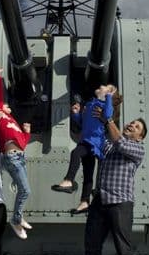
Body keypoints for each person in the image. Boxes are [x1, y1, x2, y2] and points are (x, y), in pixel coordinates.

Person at [74, 109, 147, 255]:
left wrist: (108, 120)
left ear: (140, 136)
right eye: (131, 122)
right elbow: (97, 142)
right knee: (92, 248)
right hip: (100, 202)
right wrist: (82, 115)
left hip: (121, 204)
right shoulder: (109, 144)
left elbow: (120, 143)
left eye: (137, 126)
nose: (132, 125)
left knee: (124, 252)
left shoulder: (137, 149)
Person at [51, 84, 120, 215]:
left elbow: (108, 114)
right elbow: (83, 123)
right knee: (88, 174)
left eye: (106, 87)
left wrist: (109, 96)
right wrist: (76, 114)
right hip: (86, 139)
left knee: (76, 153)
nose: (101, 86)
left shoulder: (103, 105)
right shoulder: (90, 104)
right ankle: (84, 202)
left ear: (108, 93)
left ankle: (69, 180)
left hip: (93, 142)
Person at [0, 63, 33, 240]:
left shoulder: (13, 121)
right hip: (11, 157)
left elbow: (22, 143)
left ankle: (18, 217)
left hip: (20, 157)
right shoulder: (1, 116)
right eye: (6, 105)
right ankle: (16, 219)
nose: (8, 106)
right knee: (26, 190)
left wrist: (26, 132)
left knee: (23, 189)